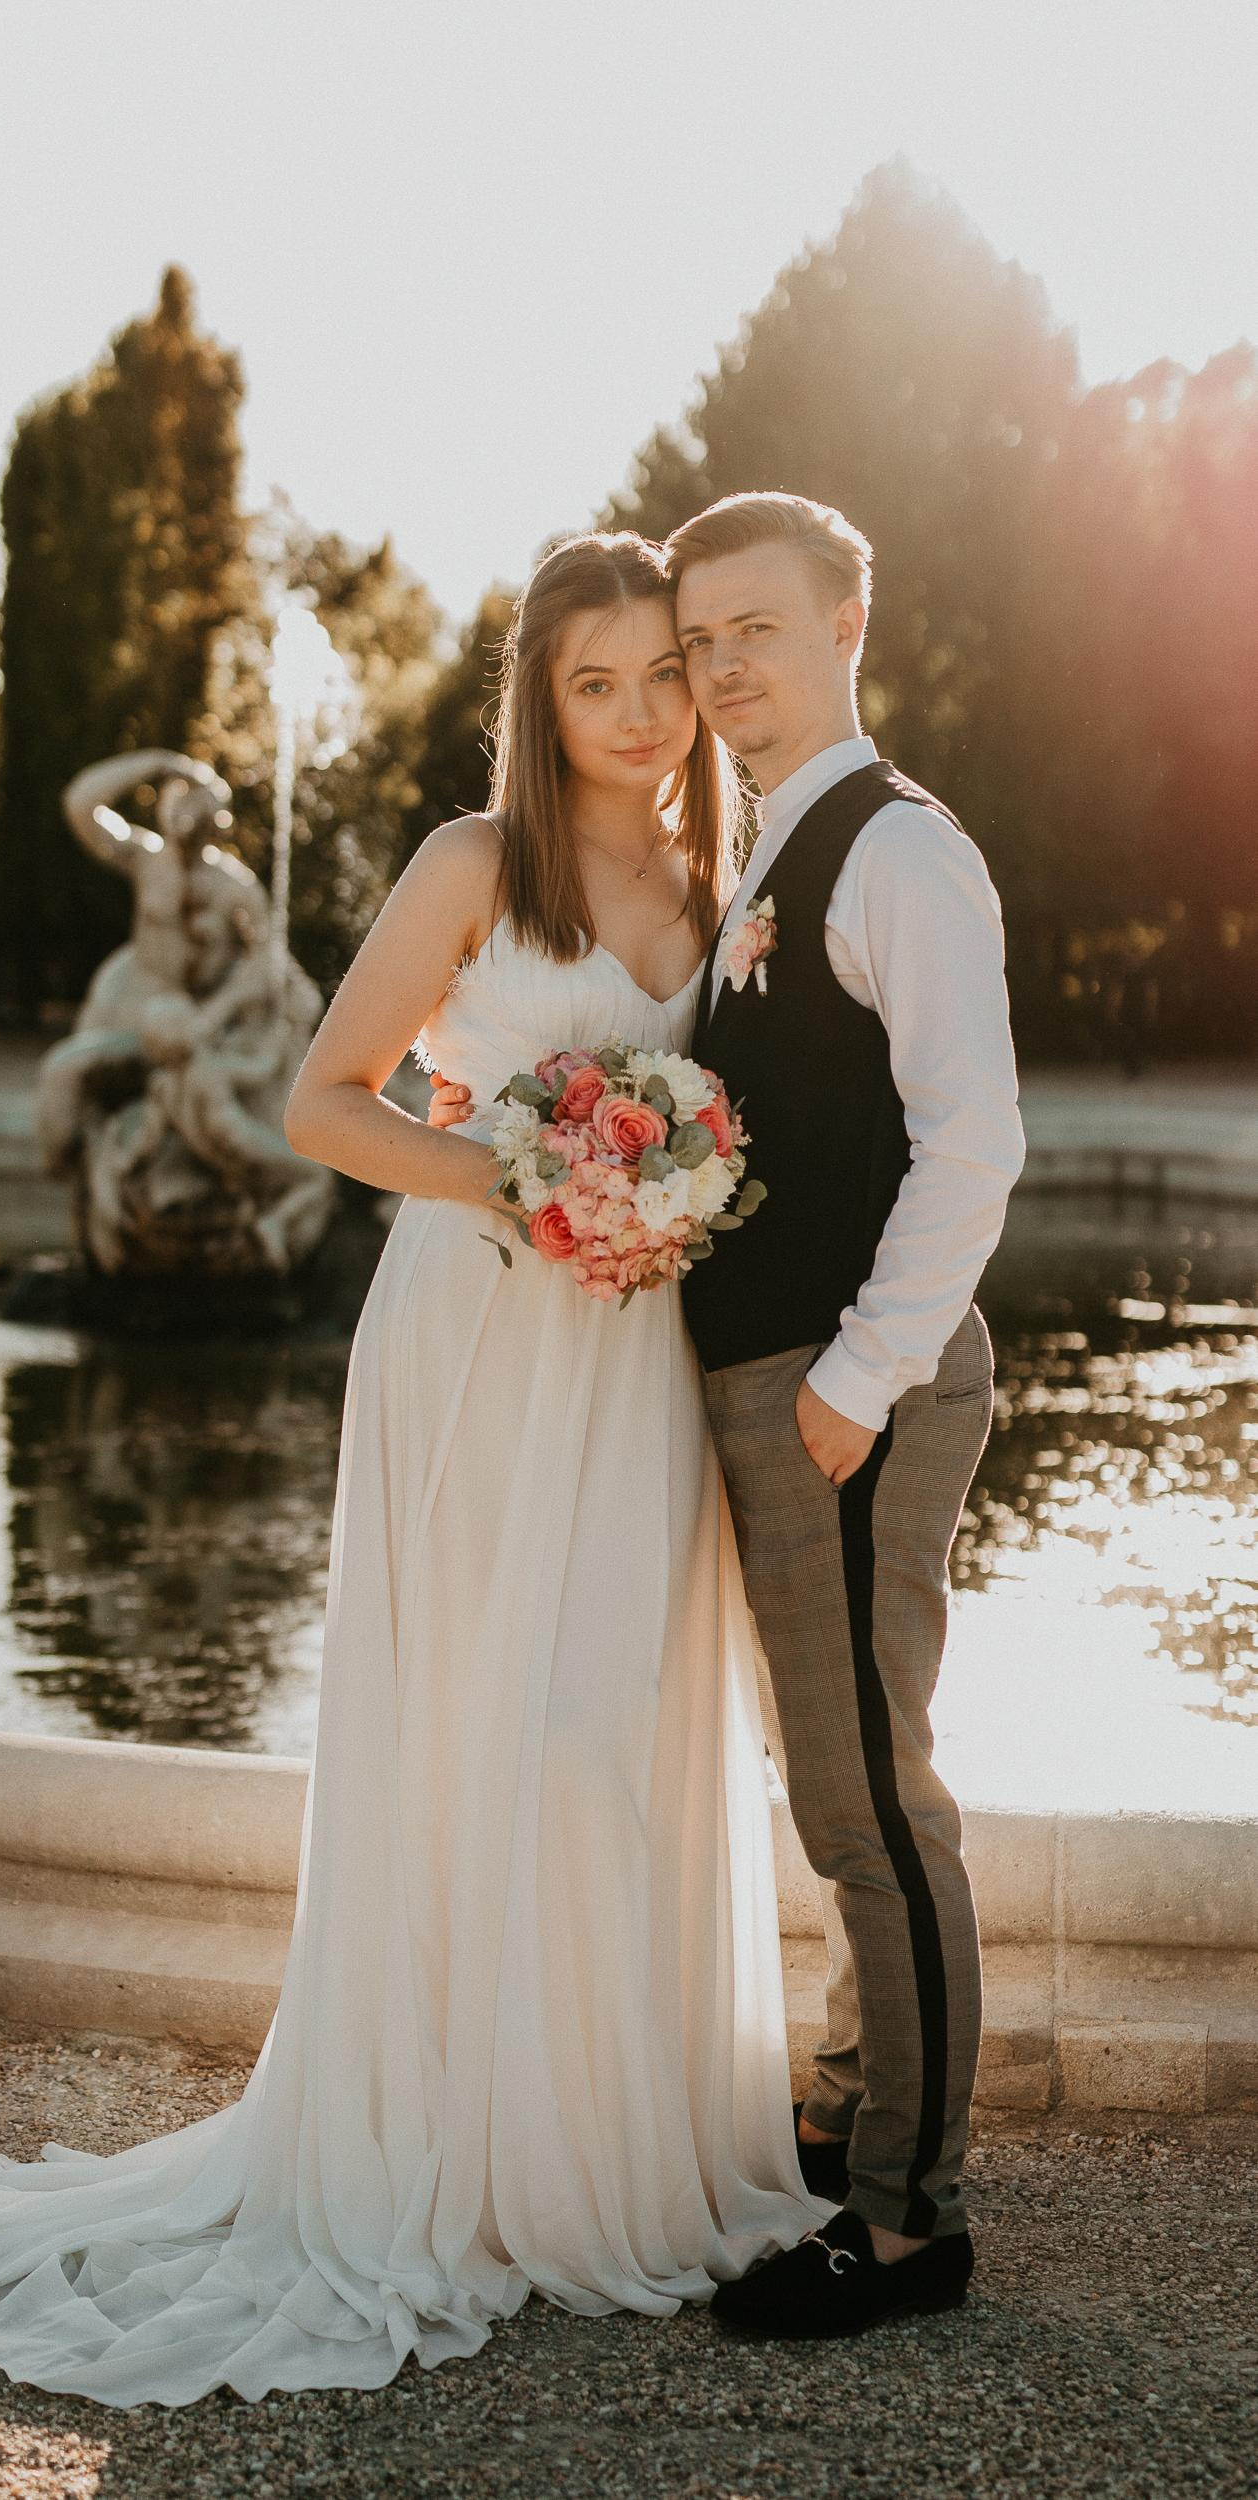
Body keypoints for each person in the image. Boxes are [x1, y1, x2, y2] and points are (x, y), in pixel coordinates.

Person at [0, 533, 821, 2406]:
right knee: (494, 1716)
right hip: (485, 1336)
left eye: (663, 673)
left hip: (634, 1361)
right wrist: (526, 1171)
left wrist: (662, 1188)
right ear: (539, 697)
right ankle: (466, 2144)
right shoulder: (476, 864)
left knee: (614, 1717)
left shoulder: (719, 870)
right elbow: (326, 1100)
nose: (643, 712)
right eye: (597, 683)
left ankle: (615, 2131)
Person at [435, 491, 1025, 2336]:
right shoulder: (778, 847)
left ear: (851, 619)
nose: (720, 671)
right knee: (835, 1778)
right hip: (778, 1389)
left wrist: (855, 1388)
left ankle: (910, 2223)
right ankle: (853, 2115)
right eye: (702, 644)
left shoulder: (897, 854)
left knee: (869, 1809)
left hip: (857, 1392)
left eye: (755, 630)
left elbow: (975, 1143)